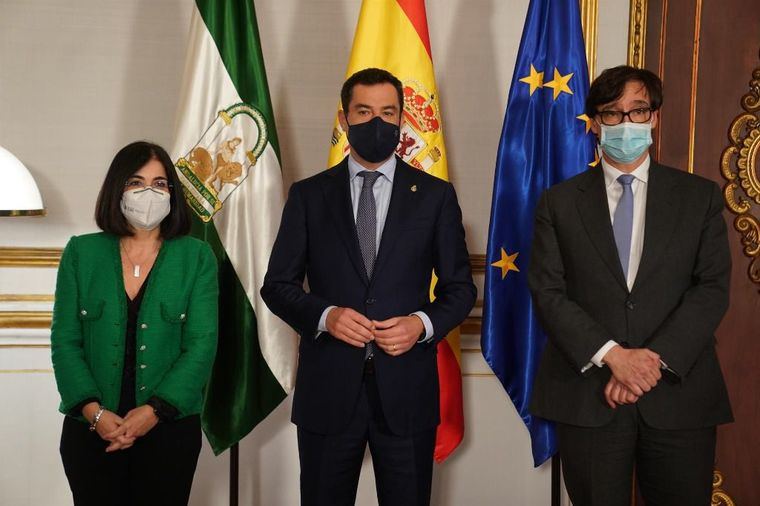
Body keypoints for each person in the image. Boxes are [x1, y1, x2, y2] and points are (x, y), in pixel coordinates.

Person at [261, 68, 476, 506]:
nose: (376, 122)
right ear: (344, 120)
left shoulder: (435, 196)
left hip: (407, 392)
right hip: (328, 390)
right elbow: (277, 285)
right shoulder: (308, 195)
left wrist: (421, 324)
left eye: (387, 112)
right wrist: (326, 316)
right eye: (364, 111)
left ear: (401, 122)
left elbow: (460, 290)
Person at [528, 65, 733, 505]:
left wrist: (649, 363)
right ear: (596, 123)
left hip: (680, 397)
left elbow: (711, 288)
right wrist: (613, 356)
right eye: (613, 114)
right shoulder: (558, 203)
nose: (626, 124)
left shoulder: (699, 197)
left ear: (654, 118)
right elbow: (548, 291)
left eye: (637, 111)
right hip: (589, 397)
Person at [51, 141, 218, 506]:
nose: (149, 192)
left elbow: (201, 344)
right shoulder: (82, 252)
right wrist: (94, 414)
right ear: (117, 189)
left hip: (170, 431)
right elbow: (65, 341)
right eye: (136, 182)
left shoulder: (196, 256)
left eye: (160, 184)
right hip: (91, 431)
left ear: (172, 193)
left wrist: (154, 412)